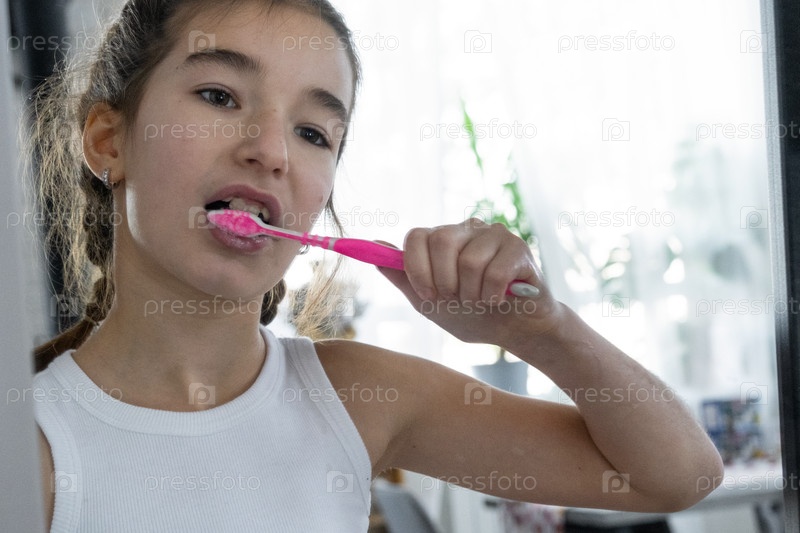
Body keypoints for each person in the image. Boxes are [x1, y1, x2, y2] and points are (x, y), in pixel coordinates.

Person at [28, 0, 723, 531]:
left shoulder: (360, 396)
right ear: (109, 141)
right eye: (219, 96)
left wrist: (542, 333)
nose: (272, 150)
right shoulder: (30, 441)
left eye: (313, 132)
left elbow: (678, 476)